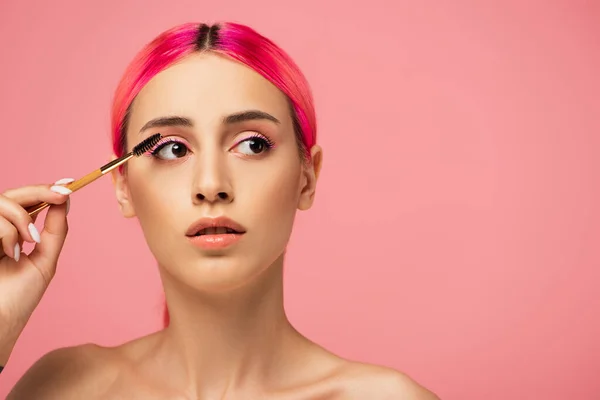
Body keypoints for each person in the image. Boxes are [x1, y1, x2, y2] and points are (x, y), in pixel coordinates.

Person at [1, 22, 439, 399]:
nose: (211, 185)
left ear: (307, 175)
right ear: (123, 187)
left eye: (252, 144)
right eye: (173, 149)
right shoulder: (62, 389)